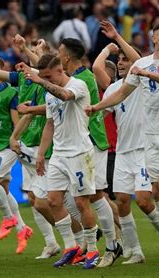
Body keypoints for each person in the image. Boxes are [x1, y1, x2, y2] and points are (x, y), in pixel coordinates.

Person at [86, 21, 159, 271]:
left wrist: (145, 74)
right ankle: (154, 247)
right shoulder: (140, 66)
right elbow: (121, 93)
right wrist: (97, 107)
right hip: (147, 139)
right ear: (153, 38)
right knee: (152, 192)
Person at [0, 41, 62, 260]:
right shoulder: (20, 79)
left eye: (34, 59)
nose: (27, 65)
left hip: (44, 146)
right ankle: (51, 242)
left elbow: (35, 109)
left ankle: (76, 238)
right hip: (24, 146)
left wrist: (27, 49)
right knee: (33, 198)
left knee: (54, 198)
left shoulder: (45, 82)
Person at [92, 36, 159, 264]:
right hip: (123, 151)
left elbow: (138, 61)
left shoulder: (143, 82)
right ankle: (135, 251)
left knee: (144, 200)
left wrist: (115, 39)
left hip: (144, 149)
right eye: (120, 60)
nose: (122, 63)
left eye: (126, 59)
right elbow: (103, 114)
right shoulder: (114, 89)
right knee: (123, 200)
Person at [24, 53, 100, 269]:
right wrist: (41, 154)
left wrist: (40, 81)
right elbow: (50, 124)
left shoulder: (79, 85)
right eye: (44, 77)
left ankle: (93, 250)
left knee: (81, 202)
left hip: (79, 153)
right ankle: (71, 248)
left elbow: (66, 96)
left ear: (60, 70)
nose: (47, 80)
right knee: (53, 201)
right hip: (59, 154)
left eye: (49, 76)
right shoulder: (49, 94)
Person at [58, 37, 122, 267]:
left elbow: (51, 80)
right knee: (70, 196)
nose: (57, 56)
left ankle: (115, 242)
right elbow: (48, 74)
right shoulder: (71, 77)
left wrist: (107, 48)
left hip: (91, 141)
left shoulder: (83, 78)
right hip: (77, 144)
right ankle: (93, 238)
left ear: (66, 56)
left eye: (58, 52)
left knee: (94, 195)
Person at [0, 55, 33, 260]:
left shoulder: (11, 93)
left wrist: (14, 139)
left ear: (1, 71)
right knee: (4, 188)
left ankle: (9, 218)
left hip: (7, 146)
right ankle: (22, 229)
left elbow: (16, 121)